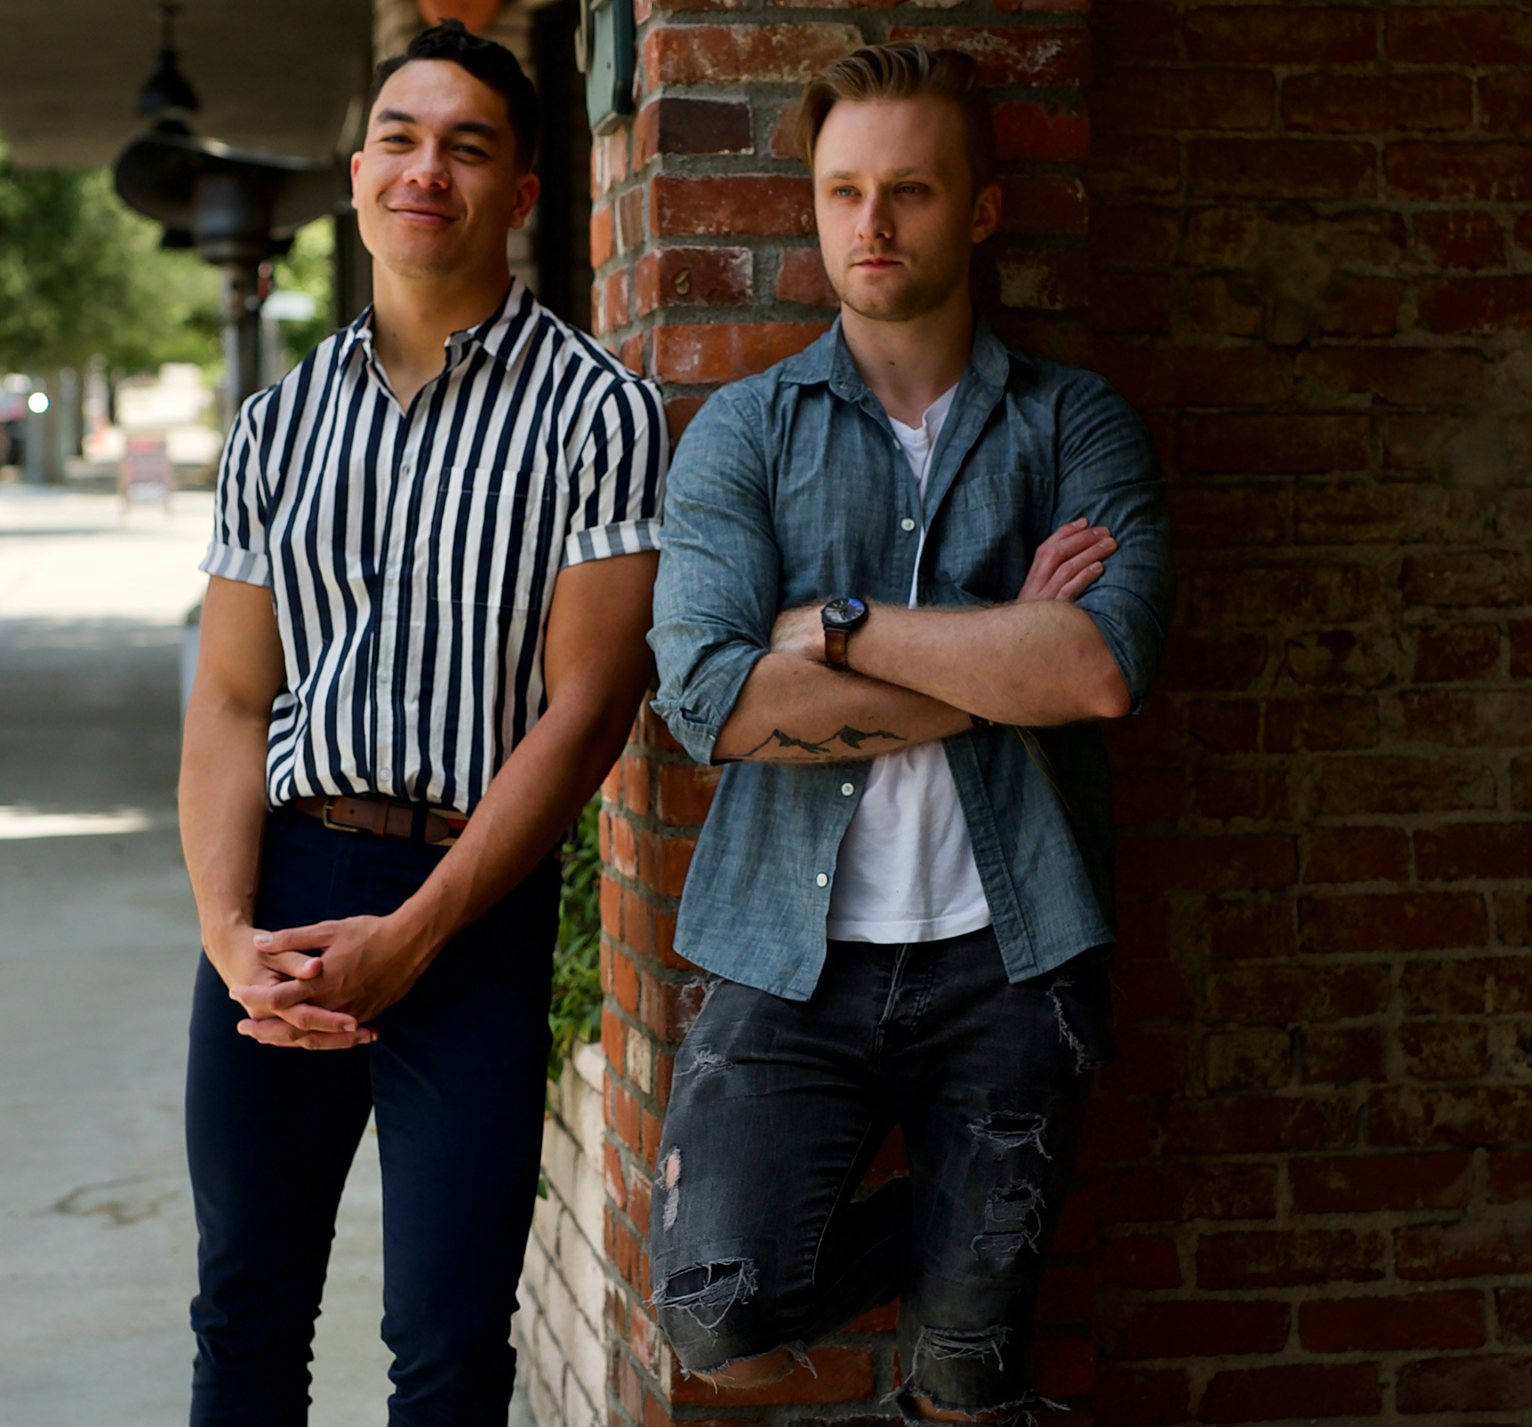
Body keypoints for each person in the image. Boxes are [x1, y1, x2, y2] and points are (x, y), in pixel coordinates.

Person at [643, 41, 1173, 1425]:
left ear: (982, 210)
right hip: (786, 957)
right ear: (813, 209)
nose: (871, 227)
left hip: (1012, 961)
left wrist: (831, 625)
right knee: (717, 1311)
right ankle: (949, 1238)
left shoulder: (1075, 425)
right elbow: (717, 697)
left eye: (911, 192)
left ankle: (965, 1299)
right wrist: (1004, 654)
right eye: (843, 193)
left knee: (964, 1380)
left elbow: (1100, 670)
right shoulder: (742, 435)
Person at [176, 22, 665, 1426]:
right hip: (280, 889)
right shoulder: (278, 427)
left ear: (523, 192)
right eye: (400, 137)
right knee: (245, 1314)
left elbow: (587, 710)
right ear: (356, 171)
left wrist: (418, 933)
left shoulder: (598, 414)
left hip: (470, 903)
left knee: (448, 1344)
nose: (425, 170)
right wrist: (227, 937)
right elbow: (227, 695)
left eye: (467, 146)